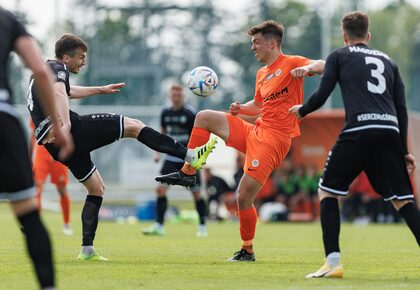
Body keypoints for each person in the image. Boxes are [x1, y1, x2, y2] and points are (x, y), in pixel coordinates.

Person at [27, 34, 217, 261]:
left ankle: (87, 250)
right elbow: (60, 93)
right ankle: (191, 155)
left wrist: (100, 89)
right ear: (66, 57)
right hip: (68, 131)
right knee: (134, 126)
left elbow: (66, 91)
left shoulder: (43, 73)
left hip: (53, 145)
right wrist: (65, 125)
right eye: (81, 57)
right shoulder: (57, 67)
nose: (84, 62)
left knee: (96, 189)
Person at [156, 20, 325, 261]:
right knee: (204, 117)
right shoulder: (262, 73)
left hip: (274, 140)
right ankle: (188, 171)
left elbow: (325, 65)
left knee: (243, 196)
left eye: (256, 43)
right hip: (255, 130)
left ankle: (247, 249)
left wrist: (308, 70)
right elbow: (258, 105)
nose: (253, 48)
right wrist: (241, 108)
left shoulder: (291, 63)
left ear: (272, 43)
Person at [290, 11, 419, 278]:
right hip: (389, 132)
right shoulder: (389, 61)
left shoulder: (339, 55)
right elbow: (402, 108)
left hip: (360, 129)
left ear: (344, 36)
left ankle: (333, 263)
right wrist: (405, 150)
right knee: (403, 201)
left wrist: (302, 110)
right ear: (368, 36)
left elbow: (323, 94)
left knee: (328, 192)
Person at [0, 7, 73, 290]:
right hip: (4, 119)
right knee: (28, 214)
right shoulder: (7, 19)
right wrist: (59, 125)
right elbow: (41, 72)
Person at [143, 83, 208, 237]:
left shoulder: (190, 113)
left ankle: (203, 226)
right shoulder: (165, 112)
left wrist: (199, 155)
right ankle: (159, 225)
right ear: (170, 96)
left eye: (179, 95)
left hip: (189, 159)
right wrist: (157, 153)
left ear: (183, 96)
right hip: (171, 157)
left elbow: (200, 133)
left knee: (197, 194)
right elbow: (162, 133)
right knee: (160, 190)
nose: (176, 97)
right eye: (173, 95)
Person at [30, 120, 73, 235]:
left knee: (62, 189)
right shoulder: (35, 108)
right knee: (37, 187)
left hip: (57, 151)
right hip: (41, 153)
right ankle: (36, 225)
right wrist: (29, 156)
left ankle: (66, 223)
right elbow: (33, 134)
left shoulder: (59, 106)